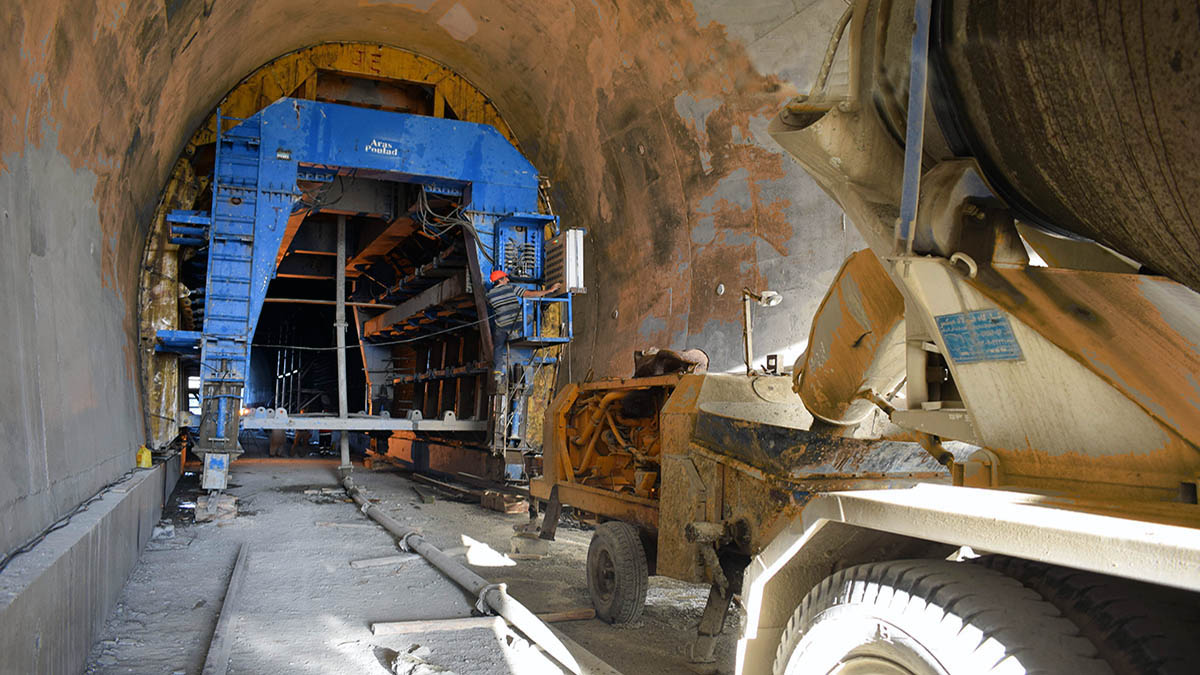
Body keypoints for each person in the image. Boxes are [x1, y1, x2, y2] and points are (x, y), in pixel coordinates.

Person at [485, 269, 559, 379]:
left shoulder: (489, 295)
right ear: (500, 280)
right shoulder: (511, 288)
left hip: (502, 327)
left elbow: (491, 306)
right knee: (529, 317)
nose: (508, 279)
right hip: (517, 323)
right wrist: (549, 291)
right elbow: (529, 294)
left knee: (498, 347)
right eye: (506, 278)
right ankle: (515, 332)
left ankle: (498, 372)